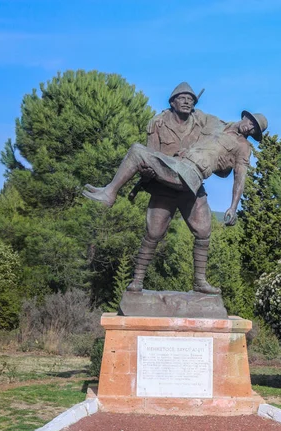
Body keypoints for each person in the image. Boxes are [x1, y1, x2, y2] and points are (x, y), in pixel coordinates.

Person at [83, 109, 268, 294]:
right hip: (177, 169)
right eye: (251, 123)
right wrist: (167, 112)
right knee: (153, 233)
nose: (249, 128)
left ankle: (109, 193)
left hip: (191, 176)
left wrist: (233, 207)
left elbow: (240, 177)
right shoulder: (216, 122)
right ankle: (137, 281)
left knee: (138, 152)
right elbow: (188, 110)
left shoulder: (243, 147)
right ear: (245, 117)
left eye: (254, 130)